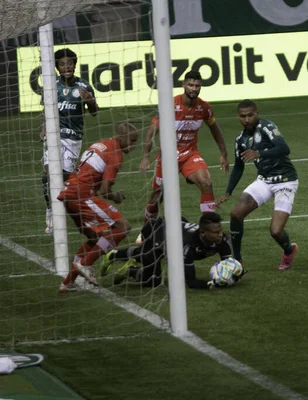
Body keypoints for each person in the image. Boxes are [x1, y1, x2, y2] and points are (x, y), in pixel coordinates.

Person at [216, 99, 299, 270]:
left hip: (285, 181)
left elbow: (284, 148)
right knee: (236, 214)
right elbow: (239, 166)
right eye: (243, 116)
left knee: (276, 231)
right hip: (264, 180)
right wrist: (228, 191)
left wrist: (259, 153)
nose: (247, 119)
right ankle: (237, 259)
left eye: (250, 115)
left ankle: (289, 250)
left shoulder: (266, 127)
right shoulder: (240, 139)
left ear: (257, 113)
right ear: (238, 117)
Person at [139, 70, 229, 226]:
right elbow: (151, 131)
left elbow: (215, 129)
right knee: (157, 198)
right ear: (183, 85)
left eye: (197, 86)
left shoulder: (204, 108)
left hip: (189, 154)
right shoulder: (170, 105)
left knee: (206, 182)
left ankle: (209, 225)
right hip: (167, 157)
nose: (194, 89)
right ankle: (146, 227)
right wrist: (146, 156)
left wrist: (223, 153)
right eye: (191, 85)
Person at [57, 122, 139, 293]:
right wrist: (115, 196)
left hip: (68, 193)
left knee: (94, 238)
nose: (134, 145)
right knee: (123, 227)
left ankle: (67, 283)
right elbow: (105, 191)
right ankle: (85, 265)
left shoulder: (101, 143)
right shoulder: (115, 155)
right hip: (82, 195)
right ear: (122, 138)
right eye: (132, 141)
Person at [99, 213, 245, 289]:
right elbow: (191, 282)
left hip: (175, 229)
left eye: (220, 231)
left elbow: (228, 264)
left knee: (153, 280)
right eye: (215, 232)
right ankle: (114, 255)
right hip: (157, 230)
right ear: (203, 233)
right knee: (149, 256)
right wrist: (212, 284)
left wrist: (234, 274)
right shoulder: (188, 247)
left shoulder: (222, 241)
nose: (220, 235)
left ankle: (130, 271)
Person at [41, 48, 98, 234]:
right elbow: (46, 110)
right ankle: (50, 212)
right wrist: (44, 127)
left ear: (75, 64)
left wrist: (89, 100)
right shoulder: (51, 85)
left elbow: (95, 112)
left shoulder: (83, 86)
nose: (67, 67)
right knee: (48, 173)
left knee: (64, 178)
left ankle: (75, 209)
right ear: (57, 67)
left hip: (73, 138)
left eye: (70, 63)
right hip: (54, 134)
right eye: (63, 64)